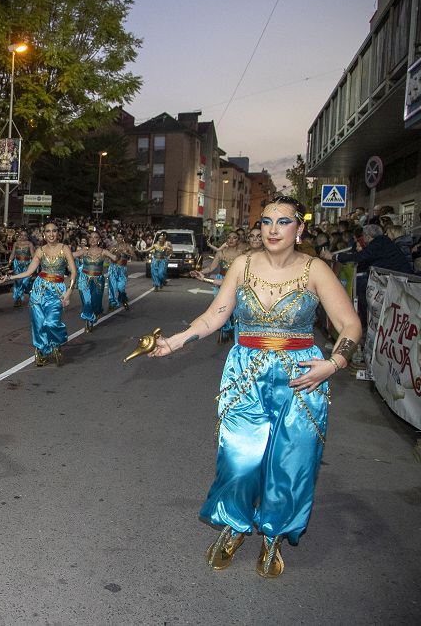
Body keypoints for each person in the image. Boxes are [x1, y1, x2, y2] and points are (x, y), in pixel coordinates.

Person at [147, 196, 361, 579]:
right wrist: (176, 341)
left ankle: (274, 534)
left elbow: (350, 325)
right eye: (266, 221)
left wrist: (334, 363)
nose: (273, 229)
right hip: (246, 374)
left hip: (301, 378)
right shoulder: (243, 265)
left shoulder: (316, 270)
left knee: (290, 464)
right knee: (240, 459)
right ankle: (234, 524)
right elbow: (216, 314)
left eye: (283, 222)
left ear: (300, 228)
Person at [0, 222, 76, 366]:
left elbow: (73, 271)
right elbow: (29, 272)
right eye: (48, 231)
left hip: (57, 290)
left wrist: (69, 291)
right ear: (44, 234)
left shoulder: (64, 249)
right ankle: (42, 350)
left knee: (51, 322)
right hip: (39, 289)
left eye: (54, 231)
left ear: (58, 233)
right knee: (38, 323)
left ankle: (57, 343)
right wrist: (9, 277)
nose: (51, 234)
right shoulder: (40, 250)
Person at [320, 222, 412, 331]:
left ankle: (362, 325)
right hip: (396, 281)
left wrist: (334, 257)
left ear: (368, 236)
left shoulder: (379, 242)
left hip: (398, 282)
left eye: (363, 236)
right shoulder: (382, 242)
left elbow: (361, 257)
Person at [194, 232, 245, 343]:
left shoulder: (242, 254)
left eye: (234, 238)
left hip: (236, 282)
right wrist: (199, 272)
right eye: (229, 237)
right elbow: (211, 267)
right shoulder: (220, 253)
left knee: (235, 309)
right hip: (220, 281)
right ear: (226, 239)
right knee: (221, 307)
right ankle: (225, 330)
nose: (231, 240)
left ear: (238, 240)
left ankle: (235, 331)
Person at [72, 232, 117, 332]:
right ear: (88, 240)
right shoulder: (84, 251)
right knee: (87, 301)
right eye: (91, 237)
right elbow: (70, 255)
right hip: (84, 279)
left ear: (99, 240)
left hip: (98, 280)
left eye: (95, 237)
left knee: (96, 303)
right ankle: (88, 320)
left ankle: (93, 315)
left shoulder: (103, 252)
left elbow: (115, 258)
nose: (93, 239)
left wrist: (117, 253)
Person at [107, 238, 135, 312]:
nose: (119, 238)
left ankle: (123, 300)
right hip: (113, 268)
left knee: (121, 288)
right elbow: (107, 256)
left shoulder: (127, 246)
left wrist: (127, 253)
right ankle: (112, 303)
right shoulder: (114, 247)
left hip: (122, 269)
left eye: (120, 237)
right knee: (112, 287)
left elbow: (134, 256)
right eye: (117, 237)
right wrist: (110, 254)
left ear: (123, 238)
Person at [10, 229, 36, 308]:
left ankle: (32, 292)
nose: (23, 236)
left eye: (25, 235)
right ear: (19, 235)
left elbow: (33, 255)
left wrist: (35, 264)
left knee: (25, 282)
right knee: (18, 282)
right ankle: (18, 299)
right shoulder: (16, 244)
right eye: (22, 235)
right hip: (17, 264)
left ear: (27, 236)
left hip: (27, 264)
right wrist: (9, 261)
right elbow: (13, 253)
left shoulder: (30, 244)